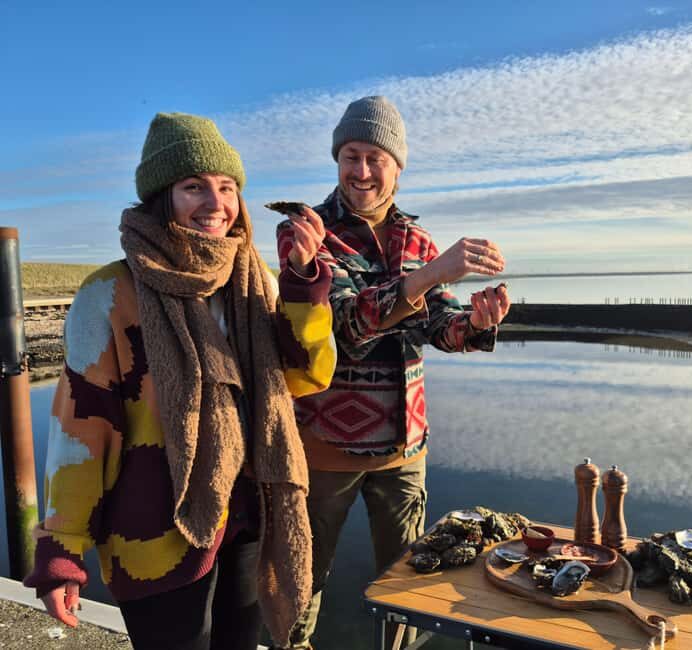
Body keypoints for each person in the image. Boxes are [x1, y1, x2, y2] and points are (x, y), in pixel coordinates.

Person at [24, 112, 337, 650]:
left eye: (226, 188)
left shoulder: (255, 282)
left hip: (245, 518)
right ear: (161, 196)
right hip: (152, 532)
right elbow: (81, 430)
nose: (215, 205)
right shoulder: (110, 294)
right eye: (194, 187)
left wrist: (305, 291)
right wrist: (62, 549)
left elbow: (306, 376)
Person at [270, 96, 510, 649]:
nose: (361, 171)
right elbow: (347, 328)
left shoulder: (418, 241)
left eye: (375, 158)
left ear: (398, 167)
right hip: (324, 447)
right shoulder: (307, 232)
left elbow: (439, 328)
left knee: (408, 583)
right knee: (303, 576)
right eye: (351, 155)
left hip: (406, 449)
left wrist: (476, 321)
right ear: (336, 159)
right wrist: (429, 275)